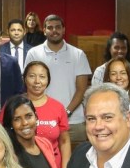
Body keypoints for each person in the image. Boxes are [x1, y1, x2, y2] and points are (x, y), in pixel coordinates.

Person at [26, 15, 91, 144]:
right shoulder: (34, 53)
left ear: (64, 30)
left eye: (58, 27)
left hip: (74, 122)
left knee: (75, 162)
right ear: (44, 31)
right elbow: (30, 86)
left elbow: (81, 89)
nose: (54, 30)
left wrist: (66, 112)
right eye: (50, 27)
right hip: (42, 120)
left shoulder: (78, 54)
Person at [23, 60, 71, 168]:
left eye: (42, 77)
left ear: (48, 80)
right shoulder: (14, 105)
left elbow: (64, 141)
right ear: (24, 79)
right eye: (32, 76)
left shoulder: (58, 107)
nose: (37, 81)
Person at [2, 94, 61, 168]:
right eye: (17, 119)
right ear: (11, 124)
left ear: (36, 117)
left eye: (28, 116)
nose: (25, 123)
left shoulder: (44, 143)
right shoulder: (8, 153)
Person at [91, 32, 130, 97]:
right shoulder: (100, 71)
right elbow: (95, 96)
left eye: (123, 48)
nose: (120, 51)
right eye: (116, 47)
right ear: (109, 49)